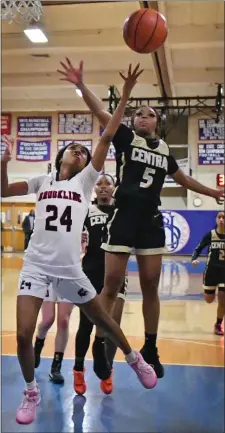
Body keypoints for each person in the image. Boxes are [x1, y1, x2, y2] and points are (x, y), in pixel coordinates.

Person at [1, 64, 157, 426]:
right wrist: (4, 163)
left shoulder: (87, 182)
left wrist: (122, 92)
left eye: (84, 152)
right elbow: (2, 190)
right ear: (60, 157)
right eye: (74, 149)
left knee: (101, 318)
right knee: (24, 334)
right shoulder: (43, 180)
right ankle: (30, 392)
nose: (80, 153)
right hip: (36, 265)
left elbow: (109, 133)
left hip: (70, 268)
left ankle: (136, 359)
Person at [58, 58, 225, 379]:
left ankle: (151, 345)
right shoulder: (124, 137)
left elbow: (184, 180)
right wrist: (80, 85)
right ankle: (101, 339)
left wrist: (213, 192)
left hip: (150, 220)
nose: (143, 116)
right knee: (110, 285)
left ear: (158, 123)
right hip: (123, 216)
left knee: (150, 285)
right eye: (139, 113)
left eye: (150, 114)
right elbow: (100, 113)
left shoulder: (163, 150)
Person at [74, 173, 127, 395]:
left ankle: (107, 368)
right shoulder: (86, 211)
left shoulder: (122, 213)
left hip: (116, 274)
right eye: (99, 184)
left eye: (108, 184)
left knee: (113, 326)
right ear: (94, 189)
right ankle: (78, 368)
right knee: (86, 325)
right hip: (91, 272)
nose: (103, 187)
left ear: (115, 188)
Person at [192, 211, 225, 336]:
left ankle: (218, 324)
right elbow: (198, 248)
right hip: (211, 271)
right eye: (219, 217)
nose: (221, 219)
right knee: (209, 300)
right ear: (216, 220)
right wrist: (194, 258)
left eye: (224, 217)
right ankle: (216, 296)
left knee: (223, 299)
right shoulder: (210, 235)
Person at [34, 286, 74, 384]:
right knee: (47, 320)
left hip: (68, 277)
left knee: (63, 321)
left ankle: (56, 366)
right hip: (49, 275)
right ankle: (38, 346)